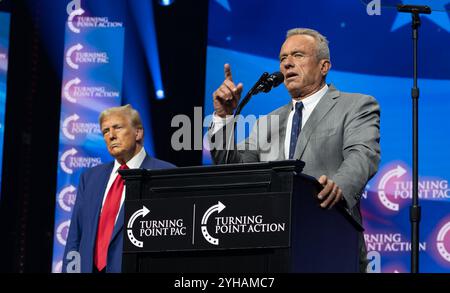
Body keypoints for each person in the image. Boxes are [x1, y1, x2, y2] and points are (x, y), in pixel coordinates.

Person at [209, 28, 380, 272]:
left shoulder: (355, 105)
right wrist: (223, 117)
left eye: (298, 55)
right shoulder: (266, 122)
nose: (287, 63)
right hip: (272, 250)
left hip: (329, 241)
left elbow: (362, 154)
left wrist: (339, 186)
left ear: (324, 66)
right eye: (282, 58)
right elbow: (234, 168)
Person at [63, 104, 175, 273]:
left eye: (117, 127)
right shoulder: (90, 178)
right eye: (105, 131)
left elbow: (171, 239)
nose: (111, 136)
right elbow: (75, 236)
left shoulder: (165, 174)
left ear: (138, 132)